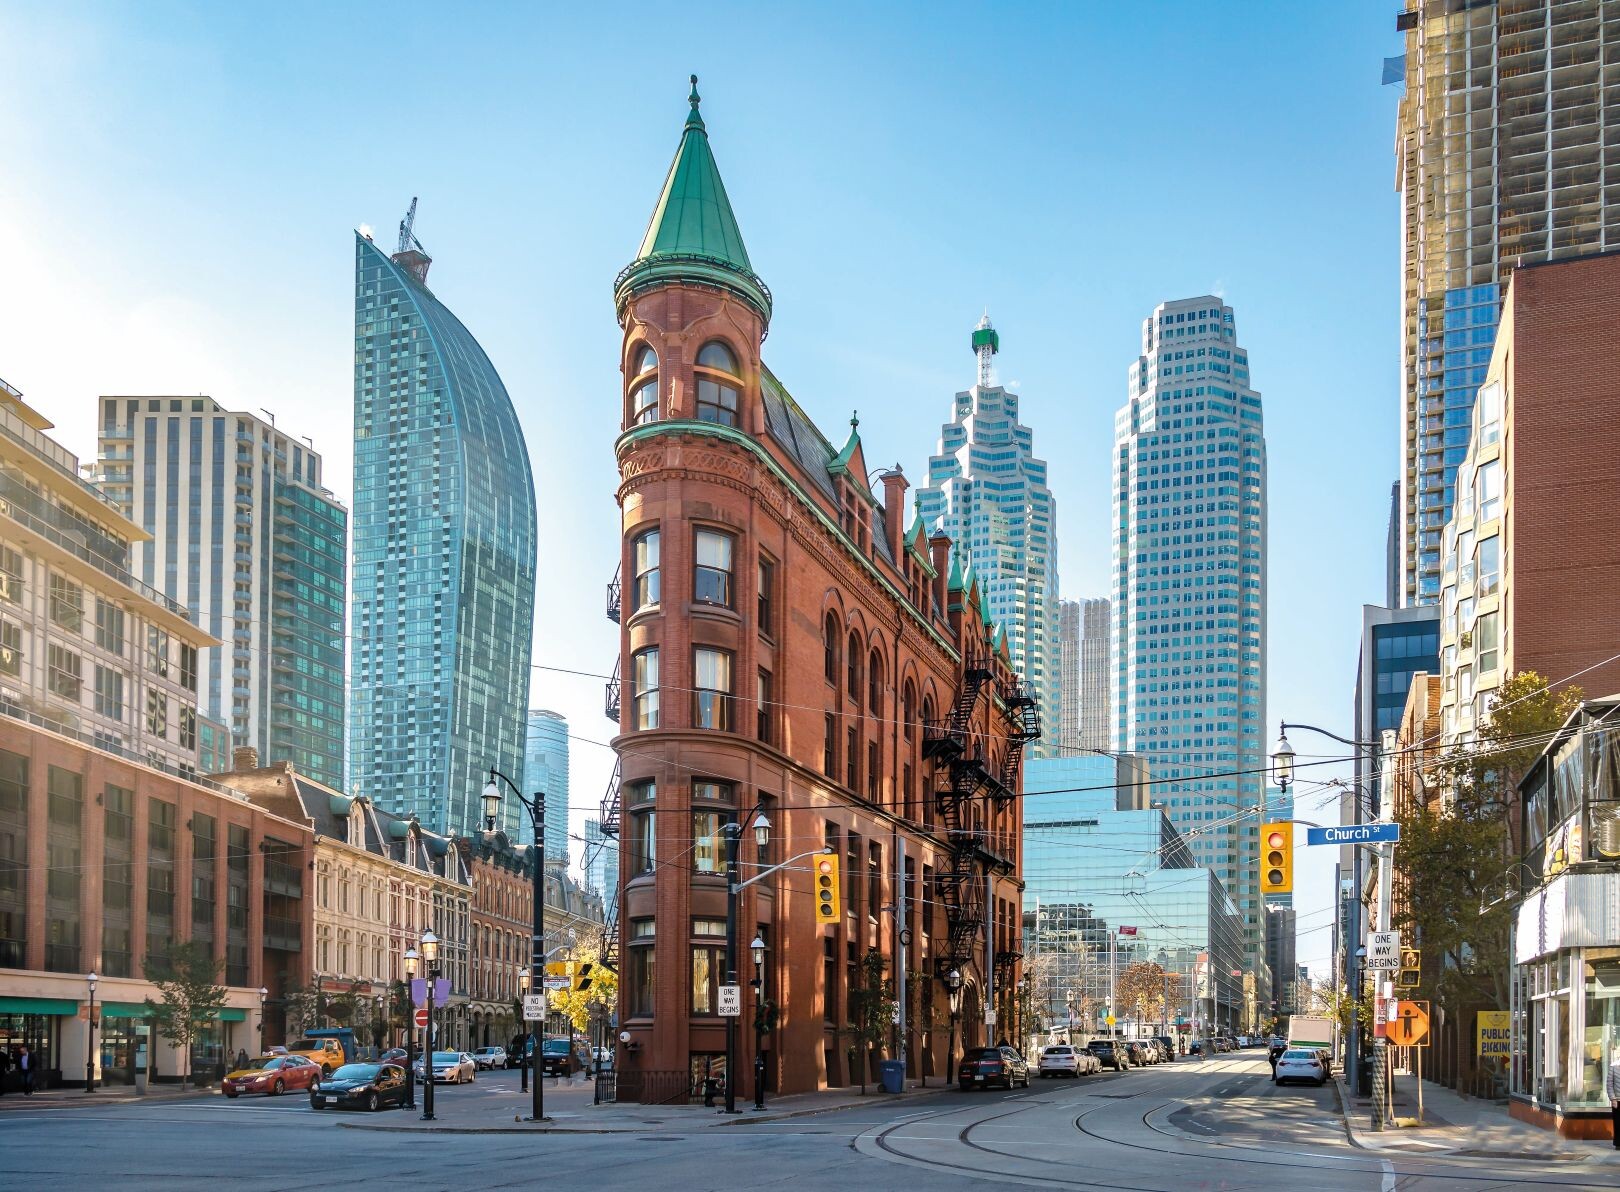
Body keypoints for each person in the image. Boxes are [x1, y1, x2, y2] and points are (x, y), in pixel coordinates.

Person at [1606, 1048, 1620, 1150]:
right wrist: (1613, 1099)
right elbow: (1609, 1084)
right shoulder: (1613, 1067)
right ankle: (1618, 1143)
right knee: (1618, 1123)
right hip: (1617, 1100)